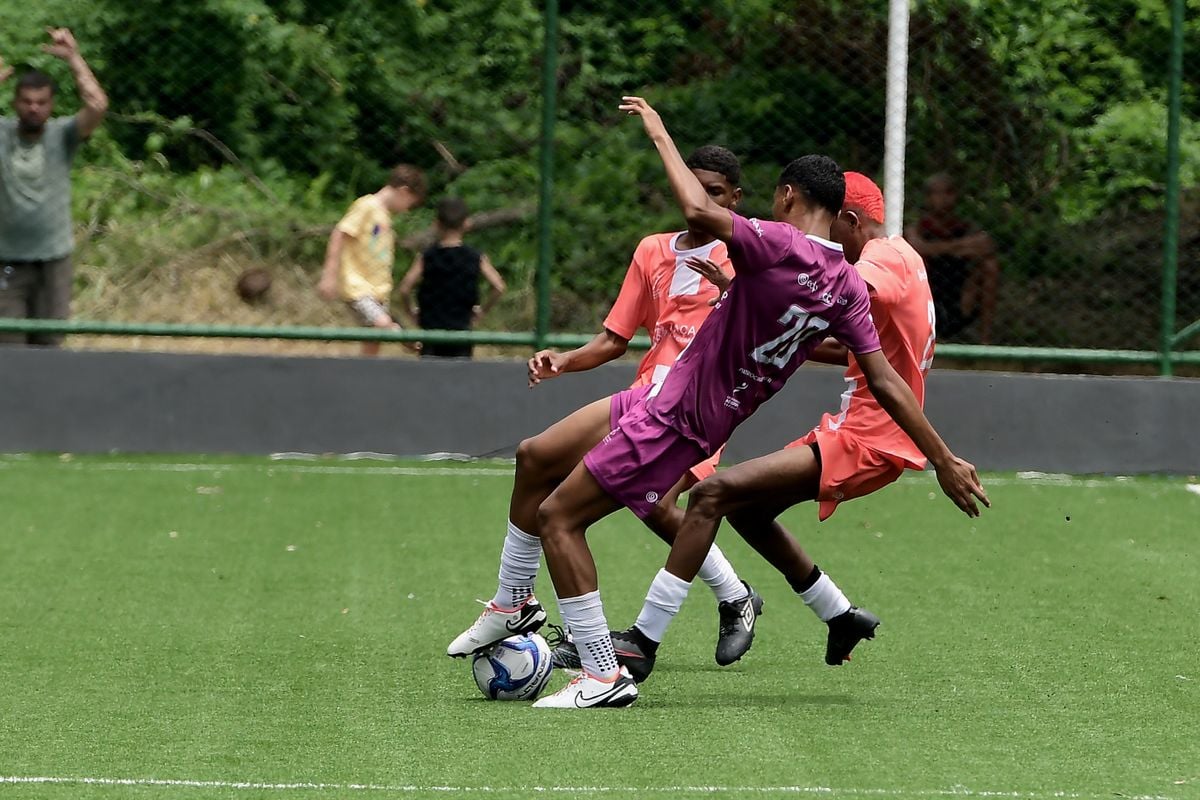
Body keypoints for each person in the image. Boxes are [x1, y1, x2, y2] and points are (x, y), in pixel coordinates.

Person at [450, 96, 987, 710]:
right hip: (679, 410)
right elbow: (887, 379)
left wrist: (658, 133)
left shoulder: (781, 244)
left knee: (558, 520)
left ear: (787, 196)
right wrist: (942, 457)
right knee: (538, 459)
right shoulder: (843, 286)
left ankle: (604, 673)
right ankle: (517, 603)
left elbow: (697, 210)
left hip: (673, 417)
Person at [609, 172, 942, 682]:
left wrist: (944, 460)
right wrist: (746, 295)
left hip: (868, 441)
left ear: (851, 222)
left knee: (711, 496)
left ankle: (644, 640)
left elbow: (822, 302)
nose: (830, 246)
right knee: (746, 508)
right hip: (857, 432)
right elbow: (826, 334)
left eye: (835, 231)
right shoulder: (908, 257)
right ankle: (840, 616)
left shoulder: (878, 261)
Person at [446, 146, 764, 674]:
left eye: (714, 192)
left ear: (735, 198)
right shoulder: (653, 252)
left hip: (702, 410)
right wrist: (565, 361)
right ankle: (515, 602)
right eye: (694, 188)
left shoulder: (753, 255)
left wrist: (736, 293)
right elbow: (615, 339)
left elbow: (770, 334)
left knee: (615, 506)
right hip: (645, 399)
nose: (700, 201)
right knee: (535, 458)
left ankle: (602, 653)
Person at [0, 28, 108, 346]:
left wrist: (74, 58)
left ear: (51, 105)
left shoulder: (63, 136)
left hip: (53, 261)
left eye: (41, 102)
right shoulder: (2, 134)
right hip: (7, 262)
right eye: (27, 101)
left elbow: (97, 104)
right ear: (15, 102)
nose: (34, 108)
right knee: (8, 351)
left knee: (50, 348)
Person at [318, 165, 426, 357]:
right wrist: (330, 274)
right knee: (383, 325)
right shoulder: (366, 206)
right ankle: (405, 339)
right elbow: (340, 233)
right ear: (403, 191)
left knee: (373, 339)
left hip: (378, 289)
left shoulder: (385, 216)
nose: (407, 210)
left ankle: (366, 373)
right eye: (410, 203)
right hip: (358, 287)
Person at [395, 197, 506, 359]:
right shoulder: (475, 257)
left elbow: (404, 289)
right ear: (466, 223)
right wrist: (482, 312)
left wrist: (411, 313)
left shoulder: (427, 257)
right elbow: (498, 286)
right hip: (461, 329)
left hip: (431, 330)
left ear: (436, 224)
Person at [906, 172, 1000, 344]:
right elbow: (917, 247)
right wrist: (960, 247)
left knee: (989, 265)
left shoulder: (964, 226)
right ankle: (918, 338)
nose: (943, 198)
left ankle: (985, 342)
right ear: (928, 197)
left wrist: (936, 249)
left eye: (948, 192)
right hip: (929, 295)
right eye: (937, 193)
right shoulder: (919, 228)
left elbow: (986, 245)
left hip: (962, 297)